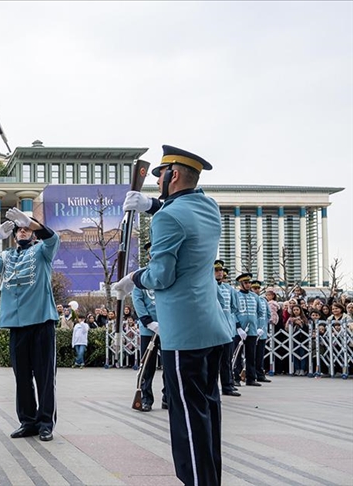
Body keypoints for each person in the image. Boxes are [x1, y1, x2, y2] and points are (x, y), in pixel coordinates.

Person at [112, 145, 230, 486]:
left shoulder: (168, 217)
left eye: (160, 175)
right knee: (207, 416)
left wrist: (133, 278)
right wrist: (151, 205)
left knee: (188, 420)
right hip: (213, 328)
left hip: (184, 331)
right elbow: (184, 214)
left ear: (173, 175)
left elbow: (161, 276)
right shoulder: (209, 207)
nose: (157, 181)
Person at [0, 207, 60, 442]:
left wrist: (32, 223)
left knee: (44, 377)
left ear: (33, 234)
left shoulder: (43, 251)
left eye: (26, 229)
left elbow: (53, 238)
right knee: (22, 377)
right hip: (16, 324)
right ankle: (27, 421)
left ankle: (45, 423)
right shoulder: (7, 257)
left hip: (42, 321)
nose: (23, 232)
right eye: (19, 230)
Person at [131, 242, 167, 411]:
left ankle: (168, 397)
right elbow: (137, 299)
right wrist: (148, 322)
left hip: (168, 327)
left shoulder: (168, 273)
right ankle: (146, 398)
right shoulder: (141, 275)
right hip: (149, 328)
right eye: (151, 253)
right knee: (147, 366)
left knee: (169, 365)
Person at [214, 261, 240, 397]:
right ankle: (212, 387)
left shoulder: (229, 289)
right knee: (213, 361)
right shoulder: (207, 286)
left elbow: (234, 308)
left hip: (227, 329)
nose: (219, 272)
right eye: (216, 270)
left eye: (221, 270)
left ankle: (227, 386)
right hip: (213, 328)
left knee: (226, 360)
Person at [231, 273, 261, 387]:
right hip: (238, 330)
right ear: (241, 284)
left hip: (252, 330)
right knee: (237, 355)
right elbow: (232, 312)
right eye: (246, 283)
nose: (248, 285)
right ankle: (236, 377)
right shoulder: (236, 295)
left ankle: (251, 378)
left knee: (251, 354)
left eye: (249, 282)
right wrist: (238, 327)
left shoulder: (255, 297)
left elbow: (260, 312)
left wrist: (258, 327)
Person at [251, 280, 272, 383]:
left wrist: (263, 326)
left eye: (258, 288)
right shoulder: (250, 299)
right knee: (250, 355)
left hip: (261, 332)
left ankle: (260, 374)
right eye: (255, 288)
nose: (257, 290)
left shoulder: (263, 301)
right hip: (250, 332)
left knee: (260, 355)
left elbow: (268, 315)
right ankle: (249, 374)